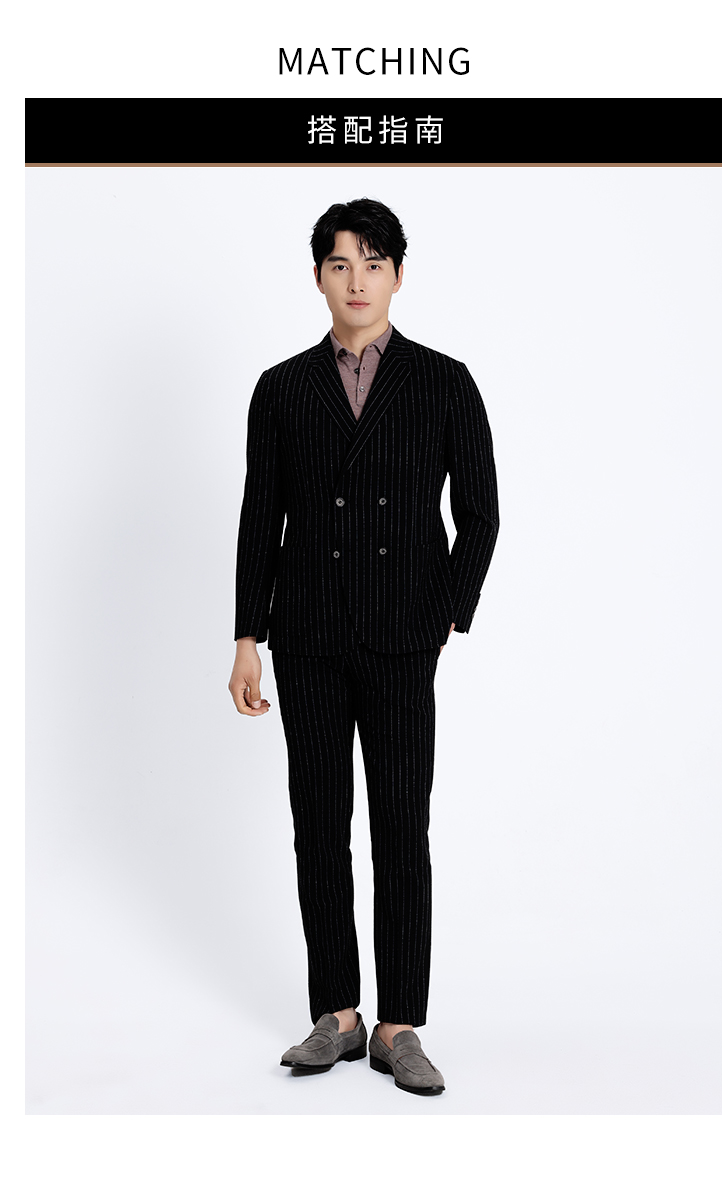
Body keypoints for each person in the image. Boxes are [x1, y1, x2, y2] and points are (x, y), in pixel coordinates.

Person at [228, 198, 500, 1097]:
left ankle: (399, 1026)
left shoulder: (443, 381)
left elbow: (481, 514)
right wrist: (246, 636)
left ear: (398, 276)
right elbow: (259, 517)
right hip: (305, 635)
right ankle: (338, 1015)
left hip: (400, 639)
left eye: (373, 263)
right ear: (318, 276)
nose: (357, 280)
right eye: (340, 263)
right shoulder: (281, 388)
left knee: (401, 830)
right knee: (318, 827)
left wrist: (445, 612)